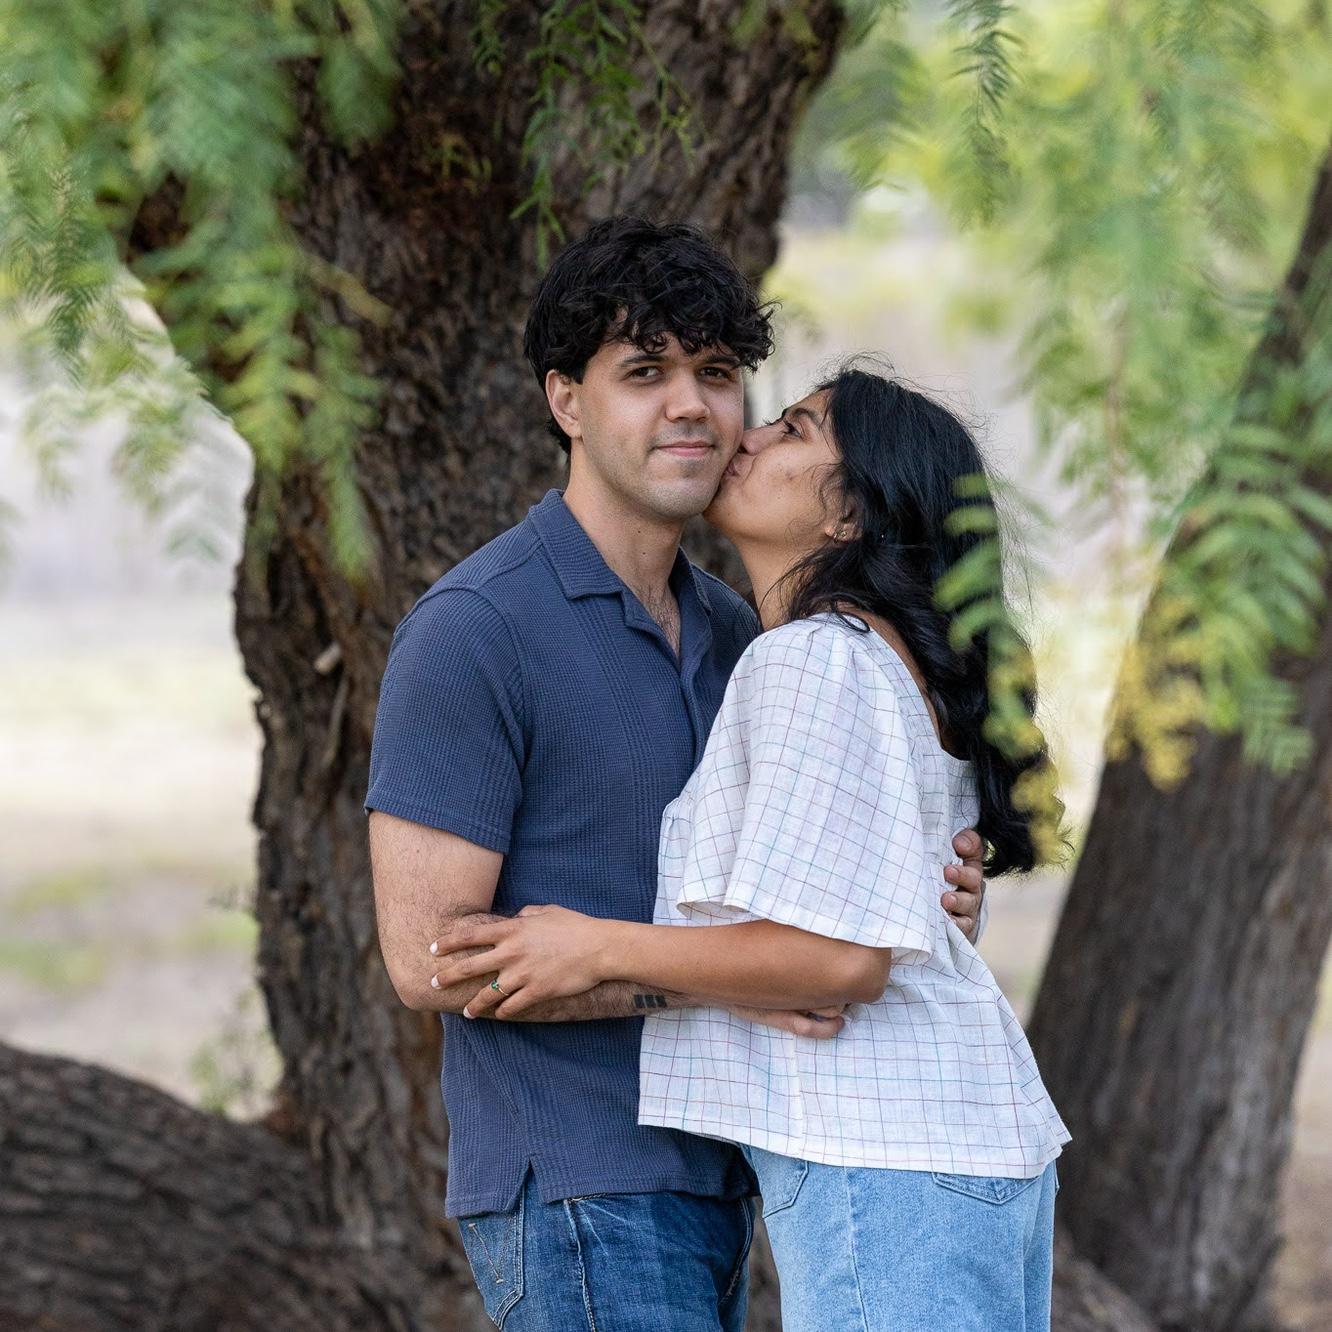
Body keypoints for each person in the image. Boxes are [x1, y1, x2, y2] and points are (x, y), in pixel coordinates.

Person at [366, 217, 989, 1332]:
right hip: (578, 1180)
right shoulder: (474, 630)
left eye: (716, 373)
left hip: (734, 1169)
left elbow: (814, 905)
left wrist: (921, 891)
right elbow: (427, 960)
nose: (692, 406)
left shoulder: (745, 636)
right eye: (645, 373)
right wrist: (742, 977)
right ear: (567, 401)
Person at [433, 365, 1070, 1332]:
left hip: (886, 1157)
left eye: (796, 431)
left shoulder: (811, 656)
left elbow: (842, 961)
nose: (750, 436)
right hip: (960, 1141)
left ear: (849, 513)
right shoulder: (870, 655)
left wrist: (590, 946)